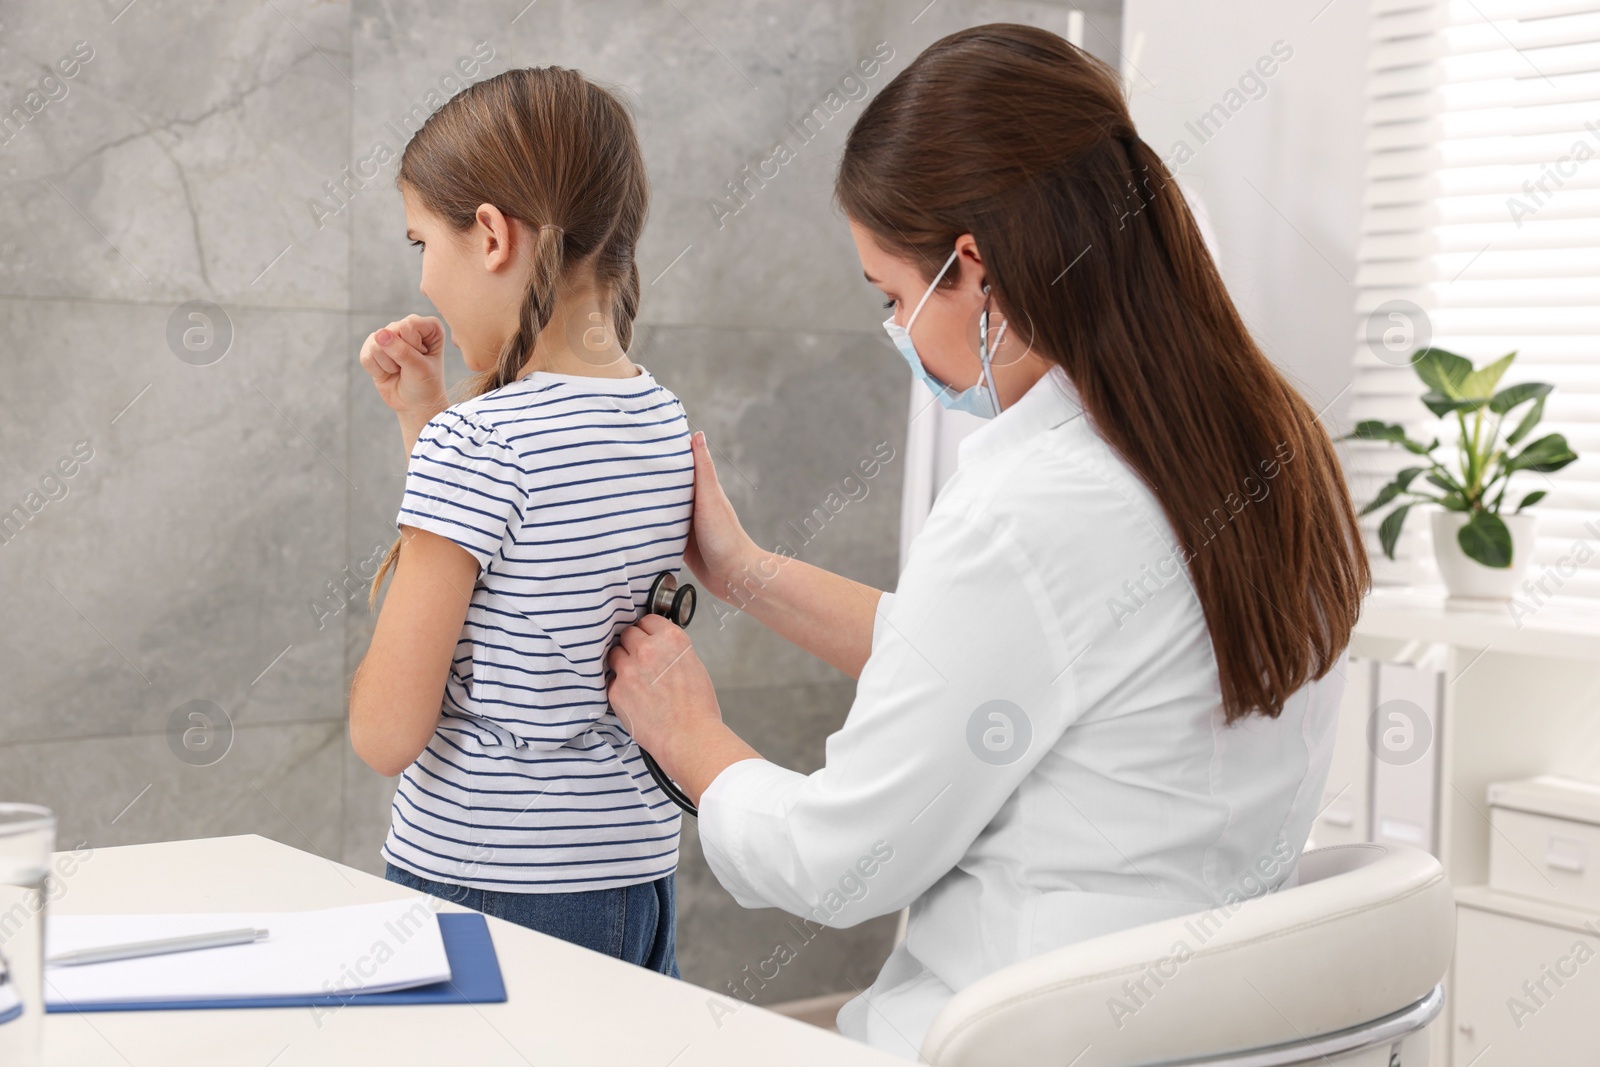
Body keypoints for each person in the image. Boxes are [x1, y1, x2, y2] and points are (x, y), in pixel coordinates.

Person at [606, 23, 1371, 1058]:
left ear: (974, 270)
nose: (896, 332)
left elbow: (842, 862)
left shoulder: (1029, 508)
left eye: (890, 295)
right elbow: (1005, 666)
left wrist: (688, 734)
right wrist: (745, 573)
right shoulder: (1268, 449)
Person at [347, 66, 690, 976]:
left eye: (423, 239)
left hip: (488, 882)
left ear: (491, 234)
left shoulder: (480, 442)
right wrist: (426, 421)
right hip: (632, 876)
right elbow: (532, 571)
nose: (422, 274)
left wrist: (445, 435)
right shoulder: (664, 419)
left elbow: (386, 732)